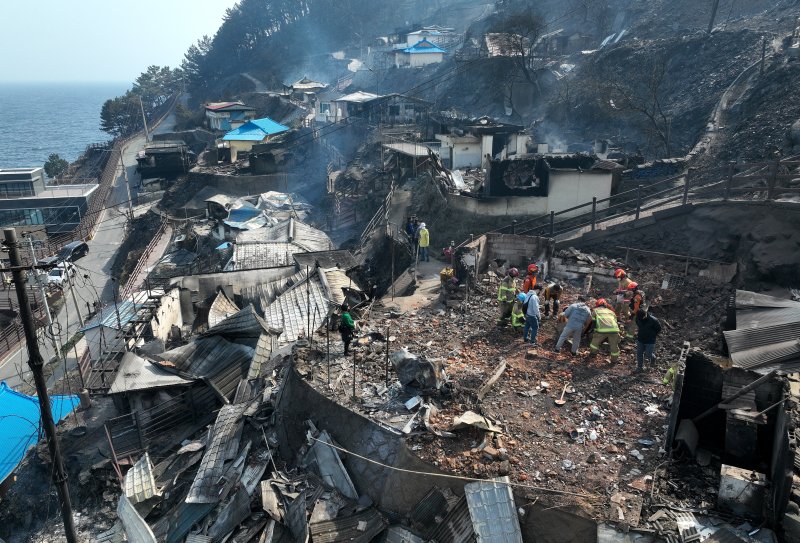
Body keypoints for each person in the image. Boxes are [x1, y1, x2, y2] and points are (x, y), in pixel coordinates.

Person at [635, 307, 661, 371]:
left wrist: (652, 335)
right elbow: (638, 324)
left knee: (648, 354)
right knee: (639, 353)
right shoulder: (638, 318)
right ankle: (640, 367)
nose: (641, 319)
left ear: (645, 314)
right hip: (640, 339)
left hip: (650, 340)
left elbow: (659, 329)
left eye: (642, 318)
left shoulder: (653, 320)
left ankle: (653, 358)